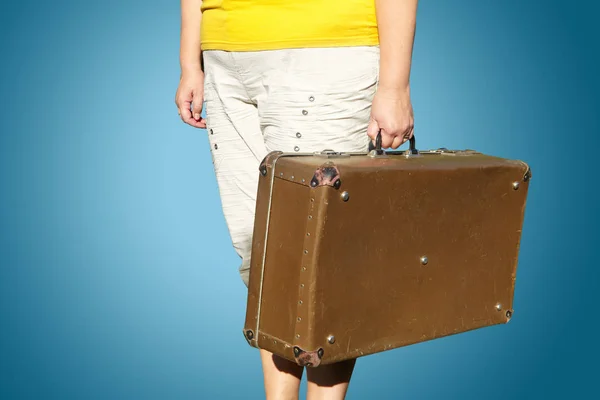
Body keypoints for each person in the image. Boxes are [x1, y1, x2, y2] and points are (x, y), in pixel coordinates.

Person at [175, 0, 418, 398]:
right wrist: (191, 60)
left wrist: (395, 85)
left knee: (323, 259)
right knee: (265, 258)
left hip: (325, 51)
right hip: (223, 56)